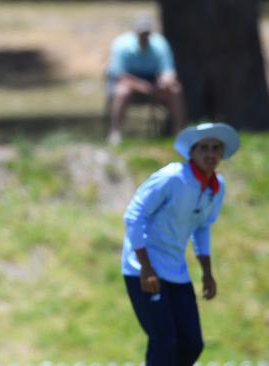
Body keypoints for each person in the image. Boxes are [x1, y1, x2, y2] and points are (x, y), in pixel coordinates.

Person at [121, 122, 240, 365]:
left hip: (175, 270)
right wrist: (146, 267)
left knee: (191, 343)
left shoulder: (216, 187)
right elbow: (134, 216)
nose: (210, 154)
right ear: (192, 152)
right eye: (203, 148)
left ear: (222, 153)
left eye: (216, 148)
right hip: (143, 269)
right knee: (164, 341)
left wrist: (207, 272)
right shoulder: (173, 177)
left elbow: (202, 226)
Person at [106, 14, 186, 145]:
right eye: (141, 33)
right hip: (129, 81)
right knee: (121, 92)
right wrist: (142, 87)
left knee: (175, 89)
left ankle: (179, 131)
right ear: (135, 32)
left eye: (147, 33)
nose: (144, 36)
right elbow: (120, 75)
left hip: (153, 80)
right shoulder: (121, 45)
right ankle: (115, 132)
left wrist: (165, 81)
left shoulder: (160, 44)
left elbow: (168, 70)